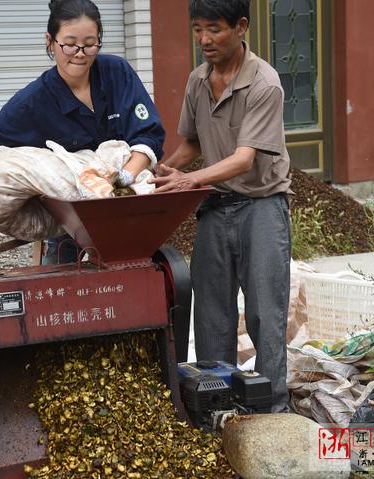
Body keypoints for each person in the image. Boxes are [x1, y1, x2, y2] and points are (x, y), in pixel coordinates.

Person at [150, 0, 291, 412]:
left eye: (214, 29)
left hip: (261, 206)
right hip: (215, 206)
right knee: (211, 313)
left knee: (266, 312)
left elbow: (245, 157)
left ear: (241, 26)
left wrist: (189, 180)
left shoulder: (264, 83)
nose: (204, 40)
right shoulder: (198, 80)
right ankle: (217, 407)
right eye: (197, 29)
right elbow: (193, 141)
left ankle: (272, 408)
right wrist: (159, 171)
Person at [0, 0, 165, 264]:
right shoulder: (36, 100)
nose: (79, 53)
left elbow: (148, 134)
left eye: (90, 44)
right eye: (69, 44)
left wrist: (124, 177)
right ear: (50, 41)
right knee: (62, 288)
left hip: (127, 211)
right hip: (71, 223)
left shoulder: (117, 73)